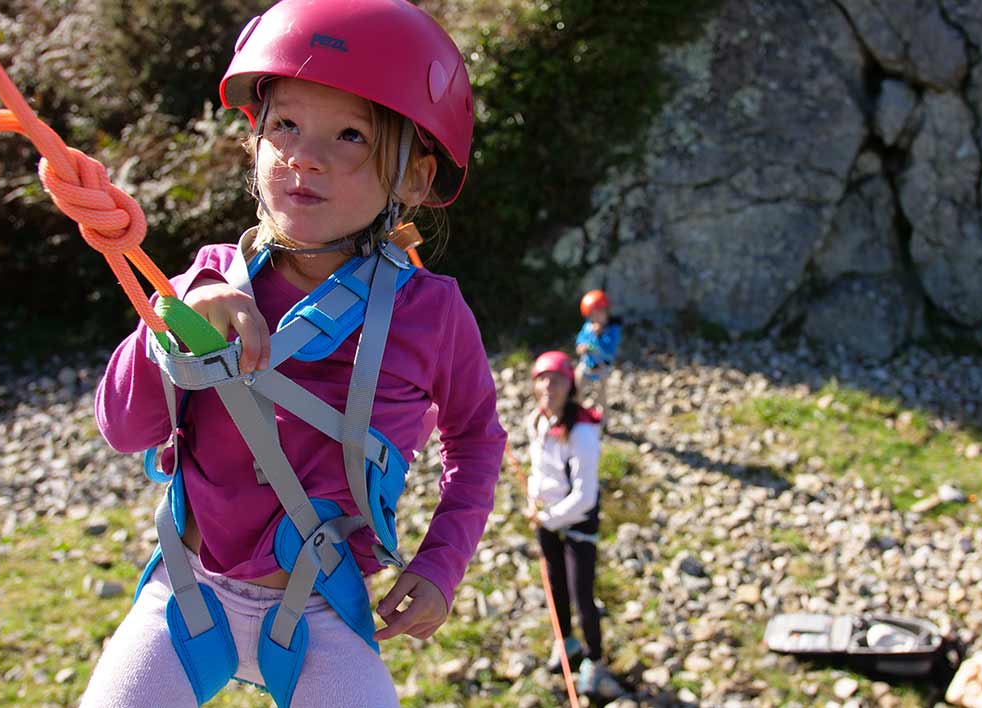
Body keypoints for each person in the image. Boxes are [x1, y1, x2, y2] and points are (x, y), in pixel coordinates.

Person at [82, 1, 505, 705]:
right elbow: (124, 430)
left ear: (415, 182)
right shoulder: (205, 281)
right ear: (255, 140)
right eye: (285, 125)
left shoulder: (433, 313)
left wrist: (440, 564)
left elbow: (476, 439)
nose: (305, 155)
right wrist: (172, 321)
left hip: (322, 610)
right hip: (188, 593)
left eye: (349, 135)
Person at [525, 351, 623, 699]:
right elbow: (539, 469)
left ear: (570, 386)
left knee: (583, 595)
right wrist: (532, 500)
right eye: (543, 379)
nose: (549, 387)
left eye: (557, 380)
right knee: (555, 586)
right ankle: (565, 642)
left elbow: (585, 494)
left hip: (576, 523)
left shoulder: (582, 431)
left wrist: (547, 517)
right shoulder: (537, 421)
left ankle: (594, 661)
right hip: (546, 517)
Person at [574, 289, 621, 413]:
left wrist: (600, 336)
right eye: (593, 315)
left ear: (607, 312)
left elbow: (610, 348)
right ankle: (577, 414)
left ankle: (603, 421)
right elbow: (580, 340)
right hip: (587, 364)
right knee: (577, 386)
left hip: (602, 367)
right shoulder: (587, 327)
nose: (597, 318)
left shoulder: (612, 329)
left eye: (600, 313)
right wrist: (581, 347)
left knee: (601, 395)